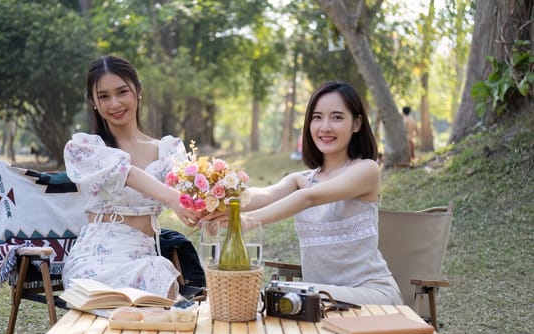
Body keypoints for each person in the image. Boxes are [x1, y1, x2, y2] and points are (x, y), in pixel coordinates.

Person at [209, 81, 402, 305]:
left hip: (372, 296)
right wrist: (214, 202)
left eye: (337, 117)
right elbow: (262, 194)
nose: (325, 127)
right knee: (279, 299)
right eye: (317, 117)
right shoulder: (301, 179)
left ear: (356, 124)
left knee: (282, 296)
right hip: (319, 301)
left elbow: (309, 198)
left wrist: (248, 221)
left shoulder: (366, 170)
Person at [62, 55, 200, 299]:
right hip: (96, 258)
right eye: (104, 96)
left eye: (122, 92)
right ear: (93, 102)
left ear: (138, 91)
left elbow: (196, 195)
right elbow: (126, 173)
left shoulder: (168, 151)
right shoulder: (85, 148)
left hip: (145, 257)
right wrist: (171, 198)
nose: (114, 103)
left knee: (160, 277)